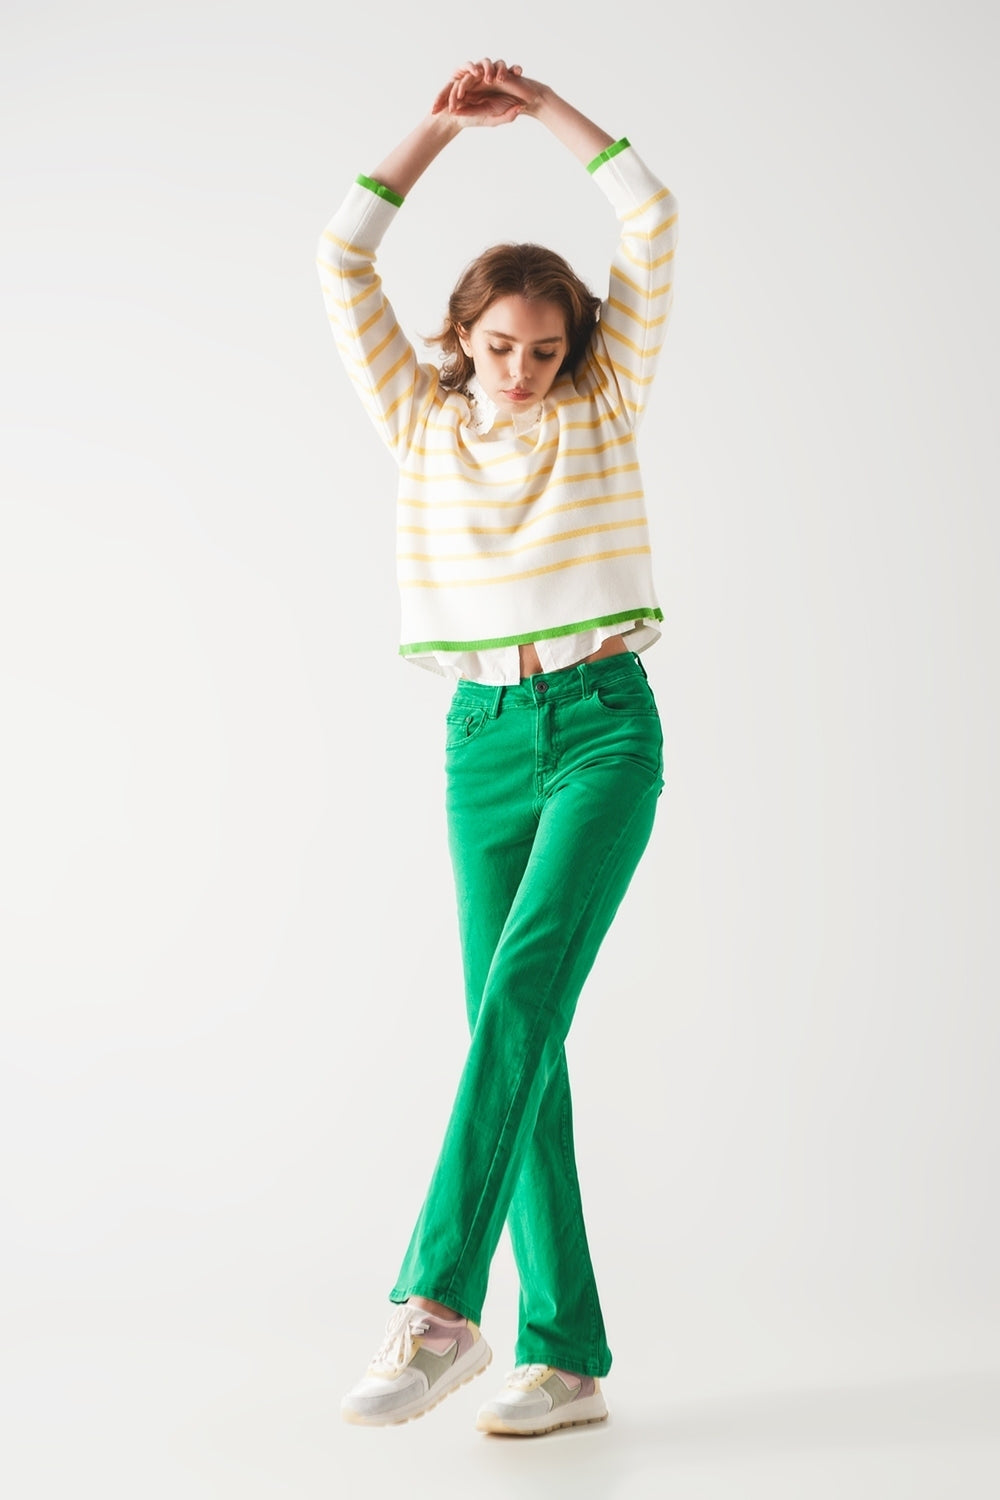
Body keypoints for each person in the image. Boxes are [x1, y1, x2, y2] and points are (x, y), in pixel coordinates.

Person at [316, 58, 679, 1436]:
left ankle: (439, 1308)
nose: (523, 370)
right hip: (478, 741)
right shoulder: (419, 423)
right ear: (462, 337)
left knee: (521, 1000)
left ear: (572, 350)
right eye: (501, 345)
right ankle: (568, 1356)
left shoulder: (603, 404)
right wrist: (438, 128)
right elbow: (342, 256)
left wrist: (548, 111)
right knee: (516, 1039)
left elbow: (651, 216)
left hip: (601, 732)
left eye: (544, 348)